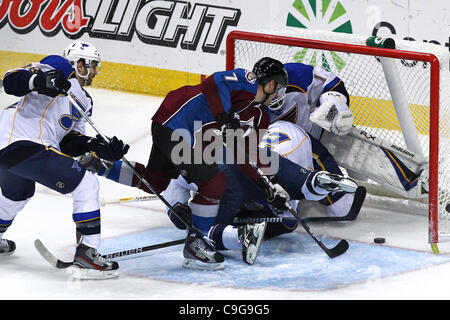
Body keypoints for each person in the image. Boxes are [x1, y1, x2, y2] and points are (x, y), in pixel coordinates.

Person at [83, 57, 358, 270]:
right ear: (271, 83)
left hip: (181, 133)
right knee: (213, 182)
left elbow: (248, 156)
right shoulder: (246, 82)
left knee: (157, 181)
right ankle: (198, 244)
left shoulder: (259, 118)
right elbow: (214, 83)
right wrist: (225, 117)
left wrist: (267, 187)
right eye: (279, 88)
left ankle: (103, 166)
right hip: (177, 122)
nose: (278, 95)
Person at [0, 41, 129, 279]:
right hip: (22, 141)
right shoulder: (57, 66)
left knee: (17, 195)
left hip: (14, 150)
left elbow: (68, 142)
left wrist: (98, 146)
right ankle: (88, 251)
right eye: (92, 66)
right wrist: (40, 81)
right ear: (79, 63)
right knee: (86, 184)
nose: (94, 72)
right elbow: (10, 80)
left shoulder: (85, 102)